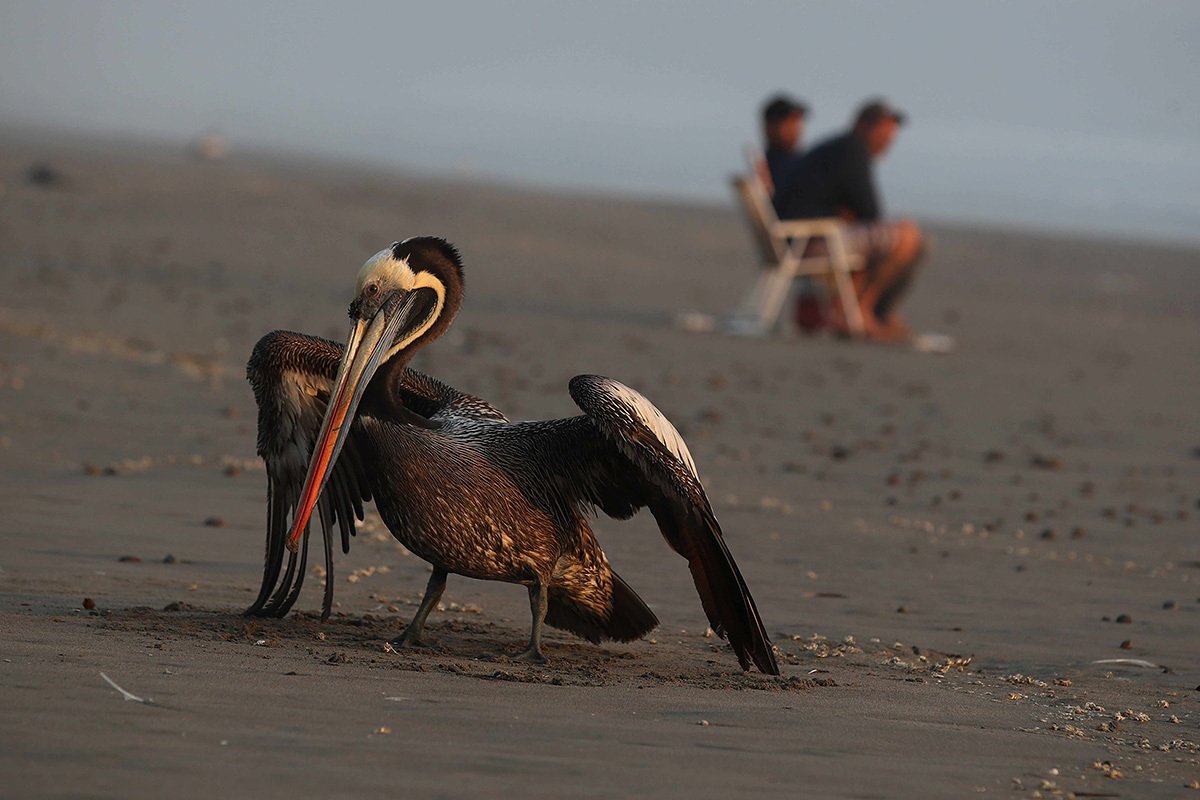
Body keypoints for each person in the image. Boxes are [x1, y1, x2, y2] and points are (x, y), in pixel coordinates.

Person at [774, 98, 924, 341]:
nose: (887, 144)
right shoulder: (852, 150)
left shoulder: (836, 148)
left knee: (888, 239)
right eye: (884, 136)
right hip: (808, 243)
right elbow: (871, 213)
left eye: (890, 138)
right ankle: (858, 312)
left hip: (796, 240)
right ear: (864, 125)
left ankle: (859, 312)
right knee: (907, 235)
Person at [759, 94, 808, 199]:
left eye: (797, 121)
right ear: (770, 126)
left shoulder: (803, 162)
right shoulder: (771, 167)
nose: (796, 128)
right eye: (790, 121)